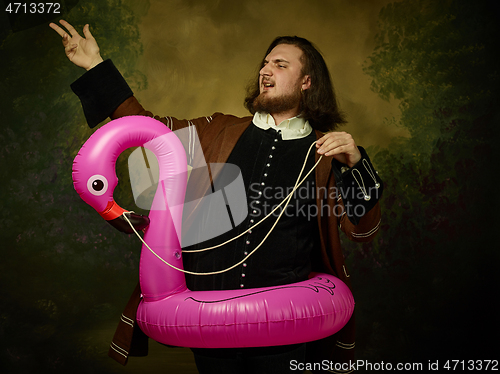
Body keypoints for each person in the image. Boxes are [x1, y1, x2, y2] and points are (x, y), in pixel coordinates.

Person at [50, 20, 383, 374]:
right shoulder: (219, 130)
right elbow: (147, 128)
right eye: (265, 63)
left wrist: (357, 163)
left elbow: (361, 230)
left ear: (307, 81)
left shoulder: (325, 152)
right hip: (209, 325)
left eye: (280, 64)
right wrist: (95, 67)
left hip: (285, 331)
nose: (265, 70)